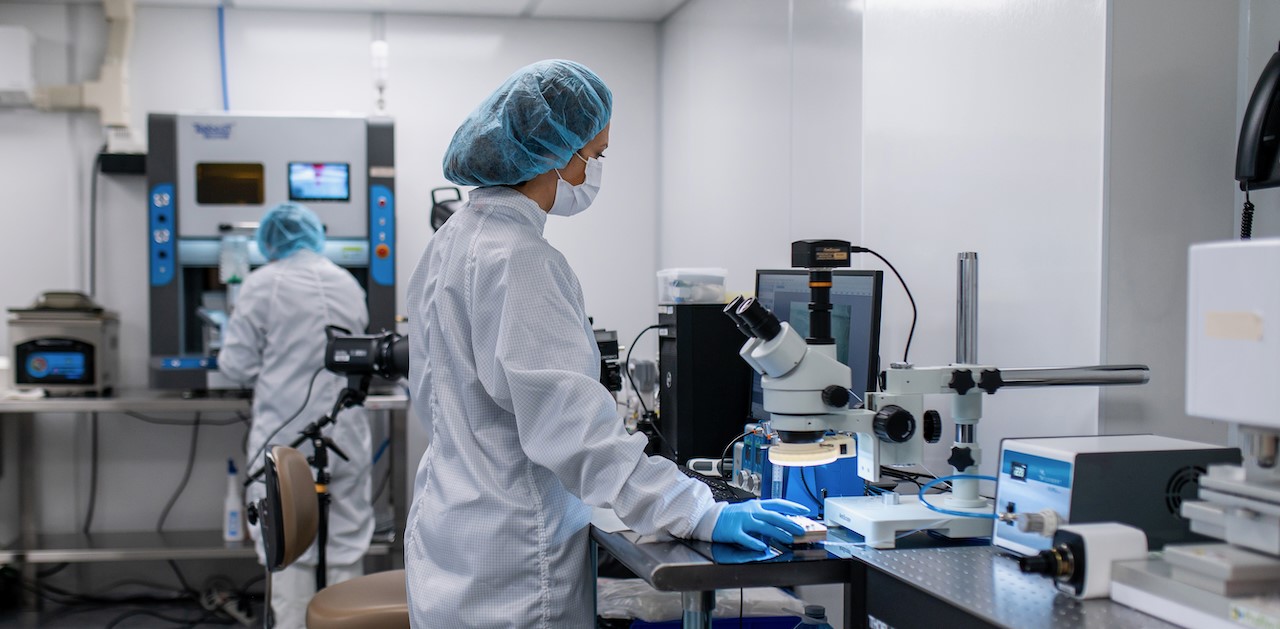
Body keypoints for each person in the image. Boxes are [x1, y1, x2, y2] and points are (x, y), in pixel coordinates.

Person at [405, 59, 808, 628]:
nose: (593, 170)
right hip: (512, 557)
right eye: (594, 155)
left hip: (450, 533)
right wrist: (696, 510)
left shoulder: (450, 242)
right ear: (553, 154)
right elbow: (576, 435)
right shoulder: (520, 260)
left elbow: (439, 393)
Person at [218, 202, 372, 629]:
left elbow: (234, 365)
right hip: (345, 435)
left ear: (269, 242)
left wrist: (273, 367)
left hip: (286, 438)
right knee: (344, 544)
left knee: (287, 548)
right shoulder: (346, 281)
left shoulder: (261, 284)